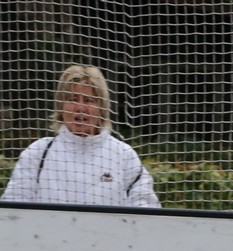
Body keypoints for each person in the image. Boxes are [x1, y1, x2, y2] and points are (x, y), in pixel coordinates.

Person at [1, 64, 159, 208]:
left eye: (89, 100)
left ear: (102, 107)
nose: (80, 108)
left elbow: (146, 212)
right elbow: (14, 211)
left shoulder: (124, 156)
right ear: (61, 106)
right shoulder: (37, 153)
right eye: (72, 99)